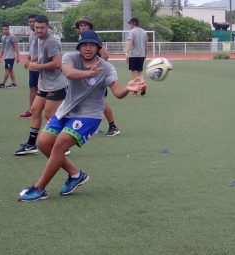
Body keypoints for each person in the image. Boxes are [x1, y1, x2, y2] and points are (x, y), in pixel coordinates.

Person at [18, 30, 145, 202]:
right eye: (84, 44)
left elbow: (117, 92)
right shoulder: (70, 58)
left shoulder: (107, 68)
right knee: (43, 143)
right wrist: (88, 73)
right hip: (67, 110)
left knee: (60, 143)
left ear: (98, 47)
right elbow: (69, 73)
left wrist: (127, 89)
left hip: (89, 115)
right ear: (79, 46)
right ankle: (75, 174)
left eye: (92, 45)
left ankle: (39, 188)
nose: (88, 48)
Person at [14, 15, 68, 155]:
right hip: (44, 84)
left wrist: (36, 66)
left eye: (41, 27)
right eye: (36, 27)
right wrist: (33, 61)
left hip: (56, 85)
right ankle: (31, 144)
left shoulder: (51, 42)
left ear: (47, 27)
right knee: (35, 110)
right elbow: (44, 57)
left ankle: (63, 146)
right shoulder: (39, 39)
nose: (38, 30)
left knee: (50, 115)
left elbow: (57, 63)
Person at [74, 17, 121, 137]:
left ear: (90, 27)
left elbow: (105, 55)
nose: (83, 27)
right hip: (88, 76)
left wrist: (97, 69)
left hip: (97, 75)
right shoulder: (81, 38)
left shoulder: (94, 38)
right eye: (81, 26)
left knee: (102, 101)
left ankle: (112, 126)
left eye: (85, 25)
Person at [18, 14, 39, 118]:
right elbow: (32, 49)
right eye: (30, 21)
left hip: (42, 66)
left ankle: (53, 112)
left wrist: (31, 61)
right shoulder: (31, 34)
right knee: (32, 87)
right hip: (33, 66)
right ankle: (31, 111)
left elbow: (44, 52)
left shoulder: (44, 34)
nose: (32, 23)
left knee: (47, 90)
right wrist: (28, 59)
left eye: (33, 21)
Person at [125, 17, 148, 96]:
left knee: (133, 73)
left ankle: (135, 91)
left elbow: (131, 43)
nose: (130, 25)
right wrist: (145, 54)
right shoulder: (144, 32)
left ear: (133, 23)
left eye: (130, 24)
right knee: (140, 72)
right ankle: (143, 84)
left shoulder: (131, 32)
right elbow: (146, 44)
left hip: (133, 55)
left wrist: (127, 54)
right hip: (141, 55)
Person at [0, 22, 20, 88]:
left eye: (6, 29)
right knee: (10, 70)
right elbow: (2, 47)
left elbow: (16, 47)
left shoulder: (12, 37)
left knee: (7, 70)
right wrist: (0, 56)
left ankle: (3, 84)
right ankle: (14, 84)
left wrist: (17, 56)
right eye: (3, 29)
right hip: (6, 57)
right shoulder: (3, 37)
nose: (4, 31)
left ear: (8, 29)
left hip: (11, 57)